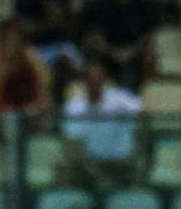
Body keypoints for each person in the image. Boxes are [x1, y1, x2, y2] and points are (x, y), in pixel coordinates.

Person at [60, 60, 141, 188]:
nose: (95, 83)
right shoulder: (73, 108)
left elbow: (143, 112)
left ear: (105, 81)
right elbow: (73, 139)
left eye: (98, 79)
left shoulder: (121, 99)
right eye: (91, 79)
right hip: (89, 165)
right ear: (84, 82)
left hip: (120, 161)